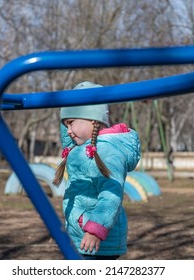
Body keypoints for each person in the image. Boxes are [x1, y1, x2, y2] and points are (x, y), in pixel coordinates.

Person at [53, 81, 141, 260]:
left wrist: (94, 230)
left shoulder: (106, 151)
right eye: (66, 126)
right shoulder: (80, 149)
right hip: (82, 235)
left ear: (92, 119)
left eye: (71, 123)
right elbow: (70, 135)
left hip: (96, 240)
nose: (68, 131)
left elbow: (111, 195)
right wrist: (68, 110)